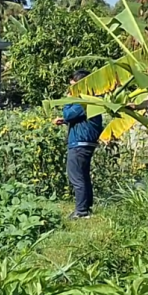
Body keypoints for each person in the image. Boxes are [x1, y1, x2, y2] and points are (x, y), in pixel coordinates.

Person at [54, 70, 103, 218]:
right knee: (83, 175)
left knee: (76, 176)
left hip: (80, 143)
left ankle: (81, 212)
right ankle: (86, 207)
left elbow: (69, 114)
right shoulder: (90, 100)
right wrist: (64, 121)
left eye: (73, 85)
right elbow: (76, 118)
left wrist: (69, 100)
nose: (71, 89)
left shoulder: (83, 101)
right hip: (85, 142)